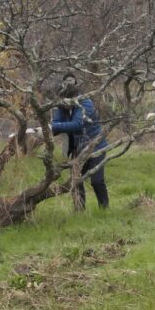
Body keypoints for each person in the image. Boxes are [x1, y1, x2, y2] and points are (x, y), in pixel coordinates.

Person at [51, 73, 109, 210]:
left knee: (97, 181)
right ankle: (79, 210)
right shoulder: (62, 105)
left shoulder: (85, 103)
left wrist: (52, 127)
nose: (62, 103)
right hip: (77, 148)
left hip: (95, 146)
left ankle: (105, 209)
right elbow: (56, 122)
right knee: (76, 180)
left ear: (71, 98)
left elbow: (77, 124)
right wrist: (49, 128)